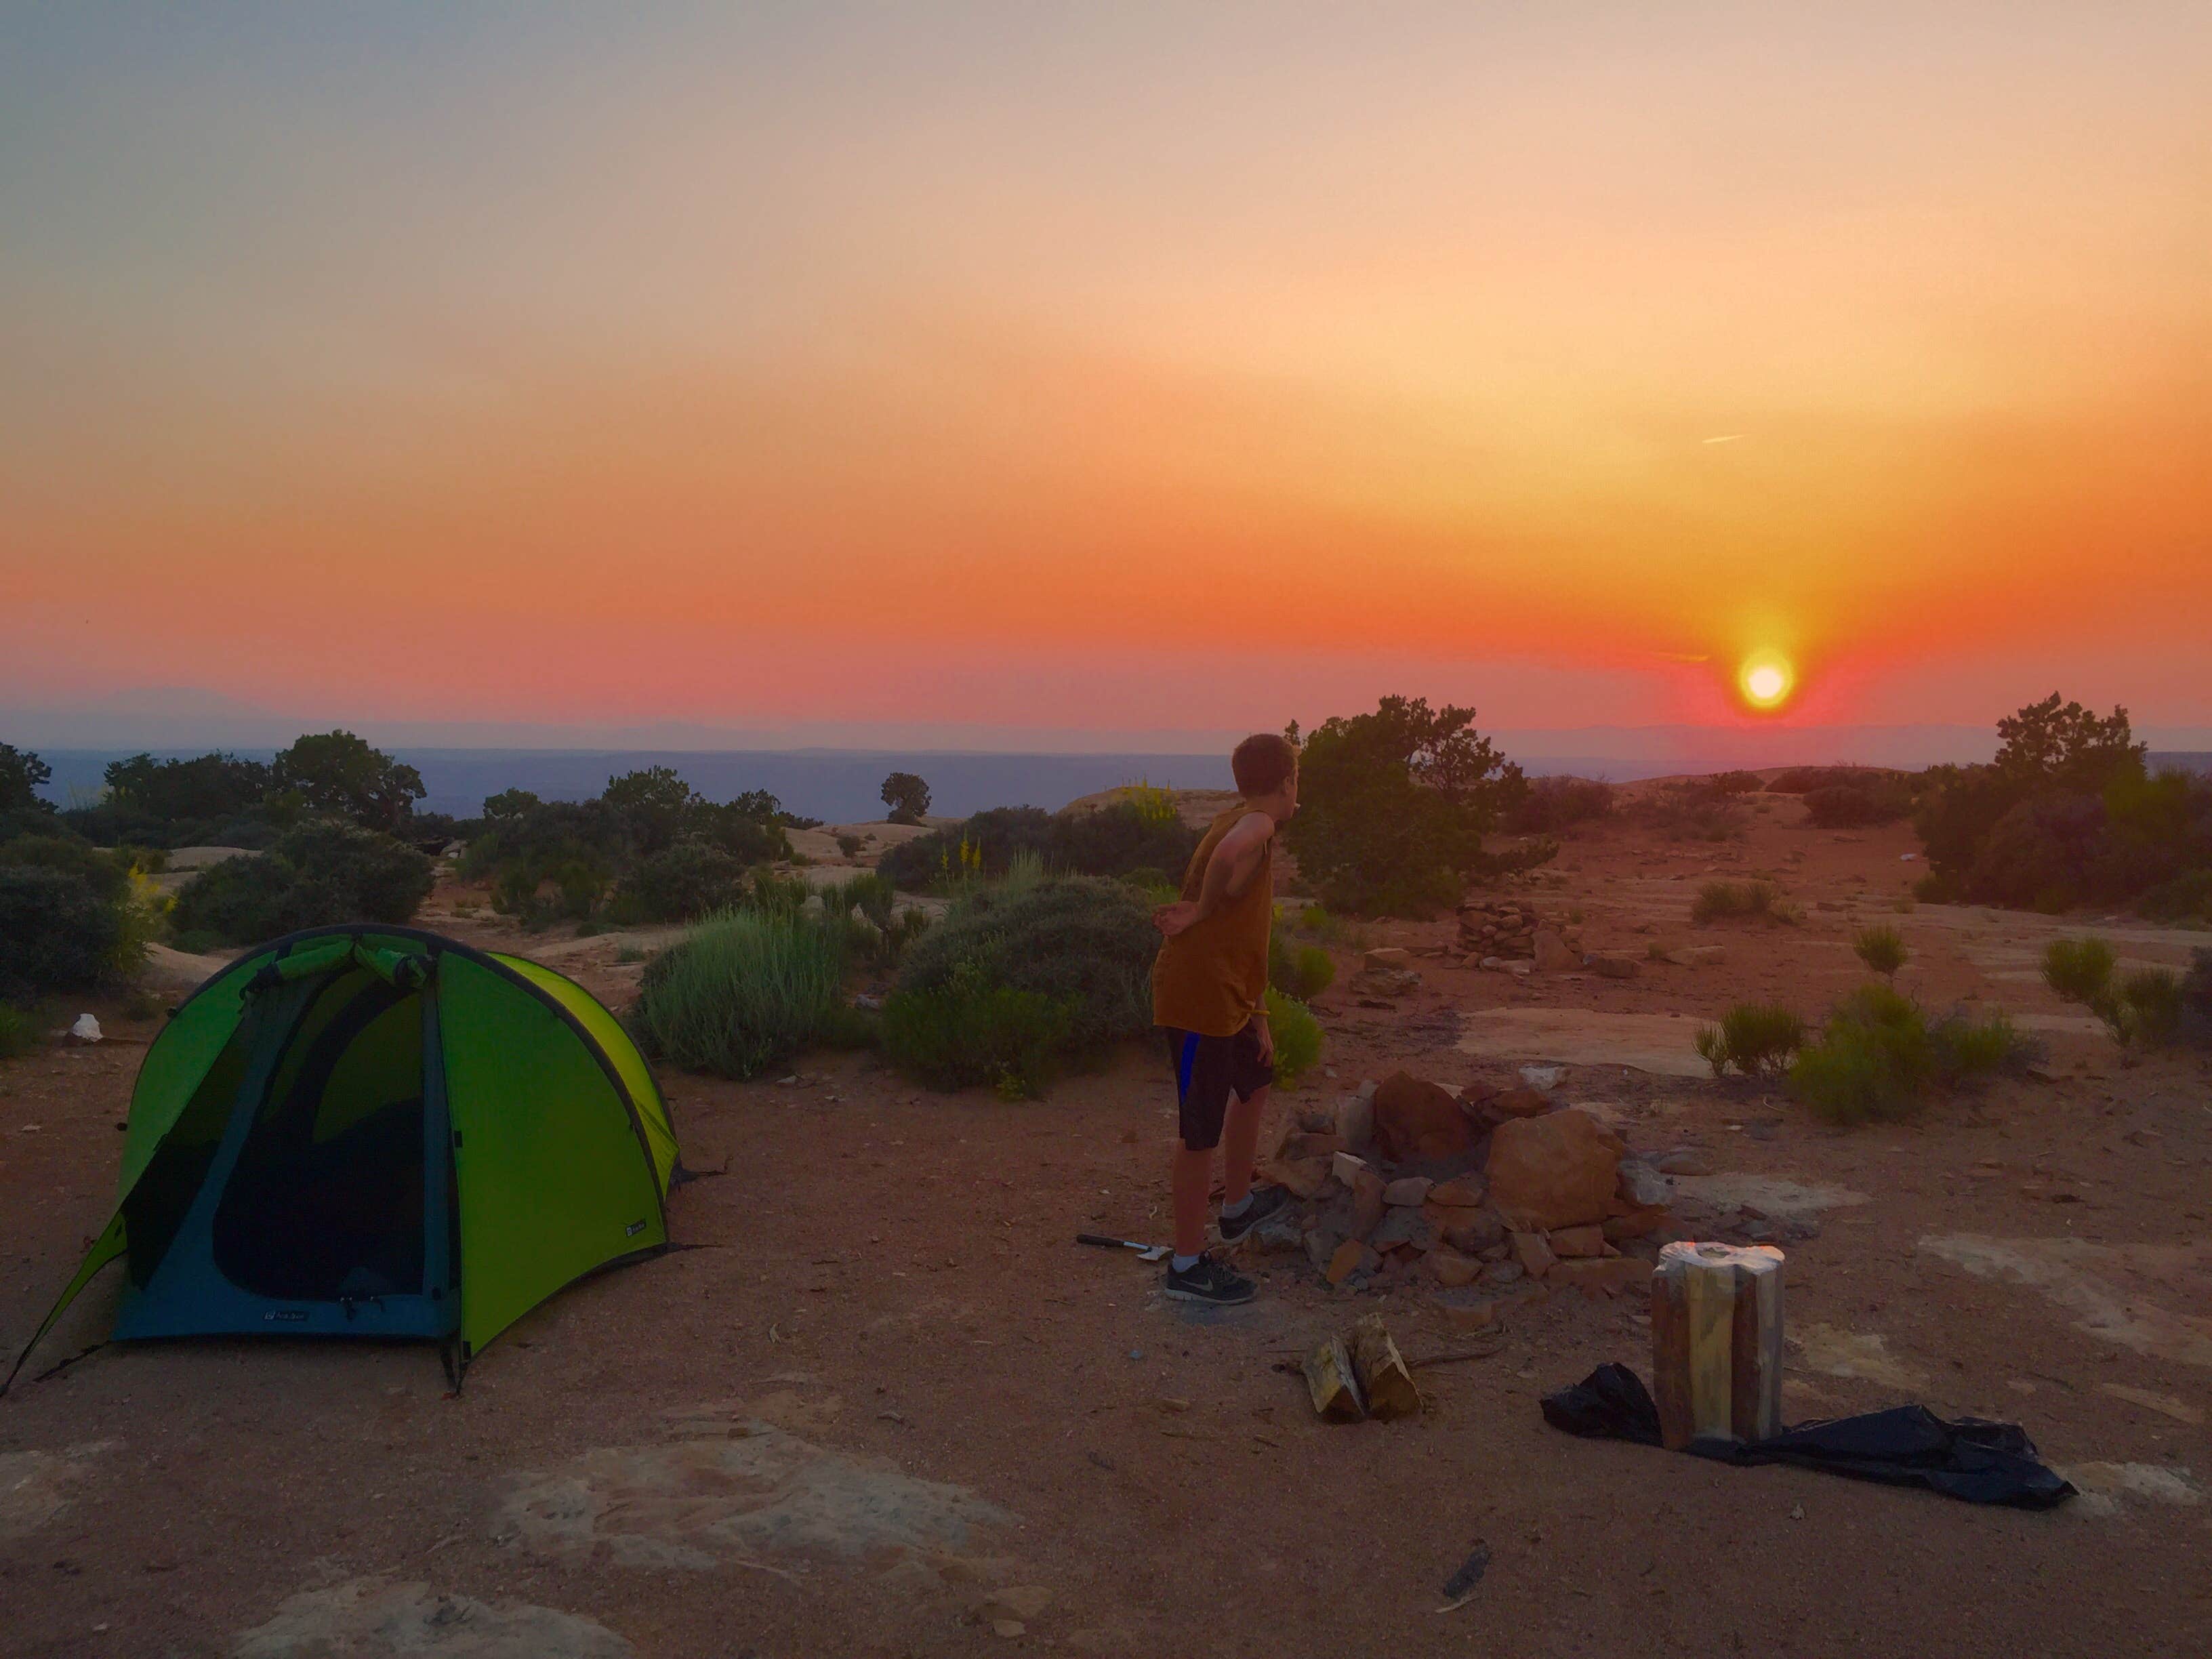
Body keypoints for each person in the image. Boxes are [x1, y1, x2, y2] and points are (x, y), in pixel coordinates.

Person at [1149, 731, 1300, 1303]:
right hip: (1196, 1005)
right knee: (1198, 1131)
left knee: (1256, 1078)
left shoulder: (1246, 816)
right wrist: (1203, 909)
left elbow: (1243, 934)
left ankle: (1236, 1207)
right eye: (1295, 782)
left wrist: (1258, 1013)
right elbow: (1231, 852)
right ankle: (1186, 1268)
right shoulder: (1256, 826)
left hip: (1230, 998)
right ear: (1287, 783)